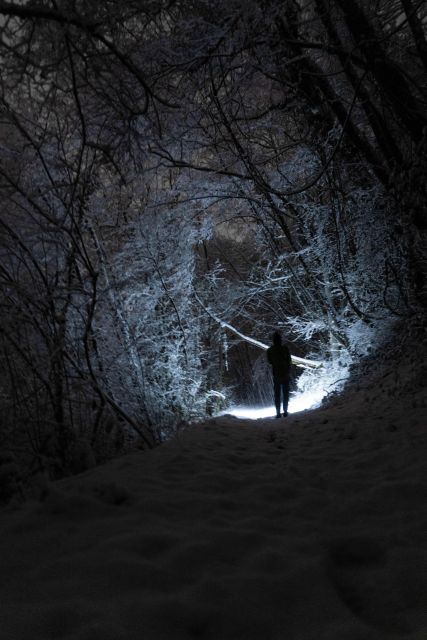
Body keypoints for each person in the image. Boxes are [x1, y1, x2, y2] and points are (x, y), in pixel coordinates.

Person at [266, 331, 292, 419]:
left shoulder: (270, 350)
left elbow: (269, 362)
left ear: (273, 340)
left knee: (277, 394)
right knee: (285, 394)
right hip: (285, 373)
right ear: (280, 339)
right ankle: (285, 411)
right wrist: (288, 370)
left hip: (276, 374)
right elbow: (289, 361)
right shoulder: (285, 349)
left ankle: (278, 413)